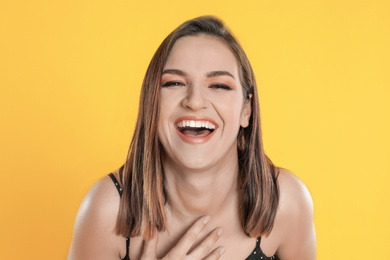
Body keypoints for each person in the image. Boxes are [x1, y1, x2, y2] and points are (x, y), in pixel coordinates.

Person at [68, 16, 316, 260]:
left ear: (246, 110)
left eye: (219, 85)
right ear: (151, 103)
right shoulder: (107, 210)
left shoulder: (286, 202)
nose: (195, 101)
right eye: (174, 83)